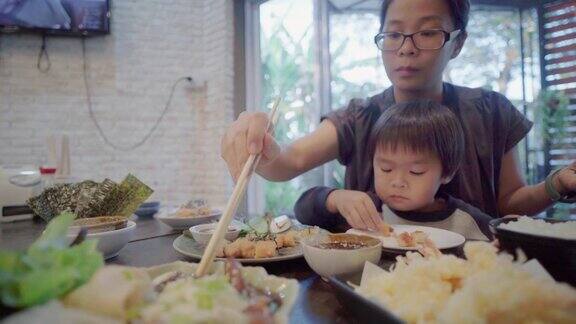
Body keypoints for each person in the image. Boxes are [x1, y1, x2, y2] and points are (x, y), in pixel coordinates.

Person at [220, 0, 576, 231]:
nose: (406, 47)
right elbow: (288, 161)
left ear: (458, 43)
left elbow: (509, 205)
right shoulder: (360, 116)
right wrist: (259, 143)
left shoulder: (491, 111)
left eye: (426, 32)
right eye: (393, 34)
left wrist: (557, 184)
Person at [296, 100, 492, 240]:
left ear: (447, 172)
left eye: (416, 171)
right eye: (386, 168)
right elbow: (303, 210)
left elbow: (505, 243)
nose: (398, 181)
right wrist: (335, 198)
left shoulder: (466, 220)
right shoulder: (370, 209)